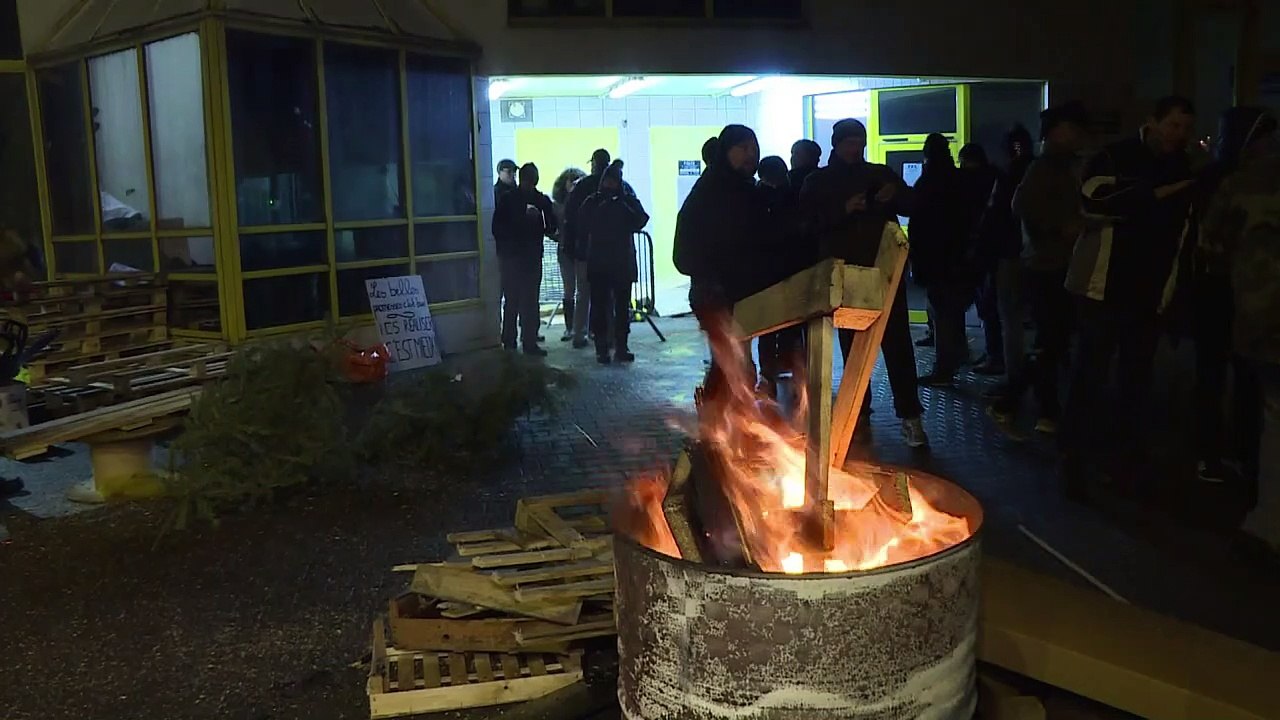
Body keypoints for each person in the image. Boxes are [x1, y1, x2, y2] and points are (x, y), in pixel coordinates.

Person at [1061, 96, 1197, 495]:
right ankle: (1075, 458)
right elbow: (1094, 198)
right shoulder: (1115, 156)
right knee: (1091, 374)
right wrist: (1162, 192)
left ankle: (1121, 461)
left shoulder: (1182, 164)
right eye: (1173, 126)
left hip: (1149, 291)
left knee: (1134, 379)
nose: (1179, 135)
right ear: (1152, 122)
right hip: (1104, 288)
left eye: (1185, 128)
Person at [799, 118, 928, 448]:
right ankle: (858, 410)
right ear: (836, 144)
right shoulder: (820, 180)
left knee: (897, 343)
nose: (855, 148)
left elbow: (913, 204)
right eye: (849, 142)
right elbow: (807, 223)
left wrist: (895, 193)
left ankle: (909, 416)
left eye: (859, 141)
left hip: (884, 271)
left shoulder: (879, 173)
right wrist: (844, 209)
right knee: (853, 344)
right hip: (845, 273)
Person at [1199, 107, 1280, 555]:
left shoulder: (1240, 182)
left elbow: (1212, 244)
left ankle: (1267, 518)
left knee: (1271, 414)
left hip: (1259, 316)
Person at [988, 103, 1089, 442]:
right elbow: (1021, 206)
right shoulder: (1044, 167)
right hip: (1047, 265)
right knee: (1050, 340)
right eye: (1069, 129)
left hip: (1056, 263)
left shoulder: (1062, 166)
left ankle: (1037, 408)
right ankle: (1024, 405)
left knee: (1052, 340)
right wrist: (1061, 229)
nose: (1075, 136)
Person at [1191, 108, 1267, 487]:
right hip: (1228, 294)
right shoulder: (1229, 182)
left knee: (1224, 374)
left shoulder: (1220, 179)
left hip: (1227, 292)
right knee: (1230, 375)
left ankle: (1225, 450)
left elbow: (1208, 241)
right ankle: (1227, 451)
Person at [674, 124, 771, 401]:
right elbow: (685, 252)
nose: (750, 155)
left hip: (741, 294)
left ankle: (721, 429)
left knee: (734, 366)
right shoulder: (710, 192)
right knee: (733, 366)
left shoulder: (747, 191)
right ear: (726, 152)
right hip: (715, 294)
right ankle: (715, 429)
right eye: (742, 148)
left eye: (753, 148)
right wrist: (714, 272)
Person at [912, 133, 975, 386]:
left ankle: (944, 369)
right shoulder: (959, 179)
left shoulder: (927, 182)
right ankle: (958, 356)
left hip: (935, 257)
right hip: (958, 256)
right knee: (953, 311)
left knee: (942, 313)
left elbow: (919, 223)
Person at [980, 125, 1036, 396]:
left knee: (1010, 318)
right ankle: (1042, 373)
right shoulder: (1038, 170)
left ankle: (1015, 376)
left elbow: (995, 217)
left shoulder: (1007, 176)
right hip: (1044, 255)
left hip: (1010, 255)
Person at [581, 160, 650, 364]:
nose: (610, 185)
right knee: (600, 307)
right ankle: (602, 347)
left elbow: (641, 219)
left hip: (620, 261)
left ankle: (621, 346)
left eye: (614, 181)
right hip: (601, 262)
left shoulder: (626, 201)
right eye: (608, 181)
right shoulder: (593, 201)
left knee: (621, 308)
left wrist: (621, 204)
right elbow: (583, 223)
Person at [565, 149, 635, 349]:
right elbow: (638, 218)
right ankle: (613, 339)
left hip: (589, 253)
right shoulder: (625, 190)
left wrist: (572, 248)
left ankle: (581, 334)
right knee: (613, 300)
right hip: (618, 256)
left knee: (587, 295)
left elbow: (572, 219)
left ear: (593, 163)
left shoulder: (584, 188)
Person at [493, 163, 555, 357]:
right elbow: (551, 227)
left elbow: (497, 228)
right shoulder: (539, 200)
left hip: (515, 256)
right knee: (527, 301)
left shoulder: (509, 199)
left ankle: (512, 340)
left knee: (515, 300)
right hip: (527, 255)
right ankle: (526, 341)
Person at [754, 155, 803, 397]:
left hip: (765, 273)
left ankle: (768, 374)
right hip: (789, 269)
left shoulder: (754, 197)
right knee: (789, 325)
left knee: (767, 327)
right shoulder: (793, 195)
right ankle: (784, 367)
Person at [958, 142, 1003, 375]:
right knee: (989, 304)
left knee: (988, 304)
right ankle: (994, 352)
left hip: (982, 250)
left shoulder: (970, 183)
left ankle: (996, 355)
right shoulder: (995, 178)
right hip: (993, 250)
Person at [551, 167, 587, 342]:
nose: (574, 183)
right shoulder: (558, 205)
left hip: (579, 249)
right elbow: (550, 225)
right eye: (571, 180)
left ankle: (581, 327)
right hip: (566, 250)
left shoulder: (584, 202)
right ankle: (569, 327)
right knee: (569, 289)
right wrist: (557, 236)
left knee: (583, 289)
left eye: (577, 180)